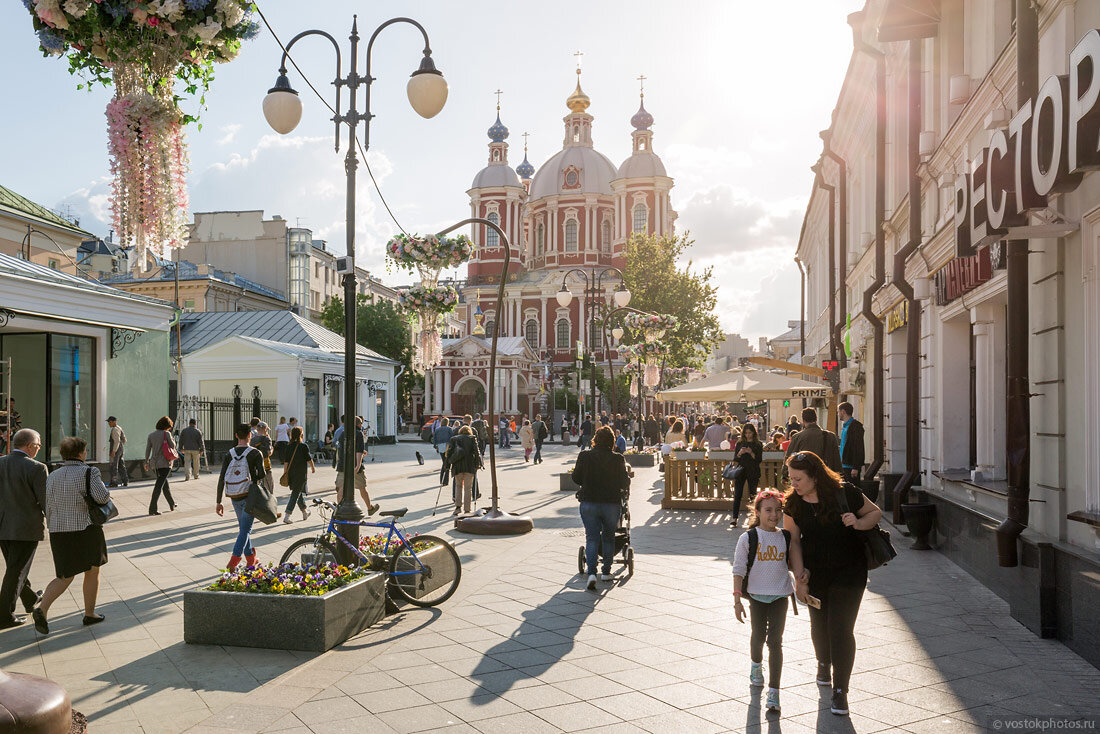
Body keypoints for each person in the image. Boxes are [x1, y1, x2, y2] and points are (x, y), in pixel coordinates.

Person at [784, 450, 882, 717]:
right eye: (791, 478)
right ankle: (823, 662)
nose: (793, 483)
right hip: (815, 574)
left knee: (840, 628)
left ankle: (841, 691)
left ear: (815, 476)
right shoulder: (793, 503)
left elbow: (875, 512)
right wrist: (799, 578)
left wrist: (858, 522)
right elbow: (792, 541)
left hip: (850, 571)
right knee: (819, 625)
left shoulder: (845, 492)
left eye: (798, 478)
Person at [30, 437, 110, 634]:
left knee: (64, 575)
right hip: (86, 529)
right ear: (81, 453)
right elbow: (102, 497)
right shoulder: (90, 472)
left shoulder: (53, 475)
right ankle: (90, 613)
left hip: (59, 530)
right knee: (92, 570)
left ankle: (42, 608)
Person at [732, 488, 795, 714]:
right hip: (757, 596)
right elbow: (738, 569)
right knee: (758, 636)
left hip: (780, 595)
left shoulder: (785, 536)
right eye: (768, 510)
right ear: (758, 511)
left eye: (778, 510)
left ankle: (774, 692)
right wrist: (737, 599)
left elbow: (792, 563)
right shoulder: (748, 537)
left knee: (775, 642)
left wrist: (802, 574)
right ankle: (756, 665)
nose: (774, 515)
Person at [572, 426, 630, 590]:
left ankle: (591, 573)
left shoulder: (585, 456)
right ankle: (606, 572)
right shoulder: (618, 459)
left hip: (589, 502)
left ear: (595, 440)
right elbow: (624, 482)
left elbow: (576, 478)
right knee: (608, 537)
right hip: (611, 504)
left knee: (591, 538)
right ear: (612, 441)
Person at [0, 429, 47, 630]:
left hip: (2, 525)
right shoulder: (37, 468)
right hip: (25, 527)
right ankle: (4, 615)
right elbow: (45, 500)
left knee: (14, 566)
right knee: (17, 570)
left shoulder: (1, 462)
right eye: (37, 445)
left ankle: (30, 599)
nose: (38, 449)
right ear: (29, 446)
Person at [216, 424, 266, 570]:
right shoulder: (256, 453)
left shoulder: (229, 454)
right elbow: (262, 474)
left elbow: (221, 478)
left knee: (243, 528)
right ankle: (234, 559)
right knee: (245, 530)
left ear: (236, 436)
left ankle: (251, 559)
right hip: (250, 496)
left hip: (234, 495)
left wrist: (219, 501)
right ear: (250, 435)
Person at [336, 416, 378, 514]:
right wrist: (358, 465)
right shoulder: (358, 433)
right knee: (362, 488)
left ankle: (339, 510)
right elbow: (358, 451)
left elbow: (344, 449)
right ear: (359, 424)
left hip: (342, 466)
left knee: (341, 489)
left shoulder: (343, 433)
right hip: (354, 466)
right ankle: (370, 508)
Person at [784, 408, 841, 473]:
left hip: (805, 474)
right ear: (816, 419)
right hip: (825, 474)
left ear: (803, 420)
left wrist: (785, 474)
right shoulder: (830, 436)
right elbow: (836, 460)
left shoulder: (797, 437)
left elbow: (789, 457)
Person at [731, 423, 764, 526]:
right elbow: (736, 459)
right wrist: (740, 453)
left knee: (753, 495)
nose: (748, 435)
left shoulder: (758, 444)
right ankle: (734, 518)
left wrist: (751, 452)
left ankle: (755, 518)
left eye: (749, 433)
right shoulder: (740, 443)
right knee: (737, 495)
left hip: (753, 471)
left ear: (753, 433)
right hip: (741, 471)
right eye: (746, 433)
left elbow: (759, 460)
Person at [144, 416, 177, 516]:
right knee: (159, 486)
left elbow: (148, 450)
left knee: (164, 484)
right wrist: (172, 439)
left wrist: (146, 462)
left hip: (154, 464)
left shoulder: (151, 435)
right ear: (166, 426)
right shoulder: (166, 434)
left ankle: (172, 503)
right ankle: (152, 509)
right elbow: (173, 446)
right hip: (165, 463)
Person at [446, 425, 482, 516]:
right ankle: (467, 510)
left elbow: (449, 453)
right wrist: (478, 464)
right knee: (468, 488)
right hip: (469, 467)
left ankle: (458, 507)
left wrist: (447, 465)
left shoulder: (454, 439)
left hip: (457, 467)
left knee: (458, 486)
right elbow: (477, 452)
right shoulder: (472, 438)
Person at [281, 426, 314, 524]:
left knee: (298, 492)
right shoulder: (303, 446)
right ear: (301, 435)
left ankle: (305, 512)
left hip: (291, 473)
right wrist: (313, 468)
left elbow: (286, 462)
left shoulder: (289, 446)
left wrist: (285, 473)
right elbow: (309, 459)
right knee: (295, 493)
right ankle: (287, 515)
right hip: (301, 474)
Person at [838, 402, 865, 482]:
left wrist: (856, 467)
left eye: (838, 412)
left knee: (853, 492)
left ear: (843, 412)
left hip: (851, 467)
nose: (838, 414)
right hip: (844, 465)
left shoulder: (855, 426)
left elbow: (858, 447)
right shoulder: (845, 426)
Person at [250, 422, 275, 492]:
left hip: (255, 465)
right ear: (265, 429)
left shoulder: (252, 440)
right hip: (265, 464)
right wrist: (272, 448)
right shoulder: (266, 439)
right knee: (269, 486)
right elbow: (268, 452)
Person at [105, 416, 128, 488]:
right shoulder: (119, 428)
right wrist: (120, 447)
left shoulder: (114, 429)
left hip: (115, 449)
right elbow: (124, 440)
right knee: (121, 465)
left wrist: (114, 451)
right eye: (108, 422)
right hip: (121, 448)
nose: (109, 423)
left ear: (114, 421)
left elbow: (117, 441)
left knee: (113, 466)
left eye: (110, 422)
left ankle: (114, 482)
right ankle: (125, 481)